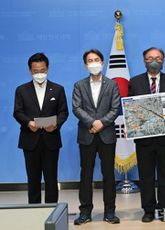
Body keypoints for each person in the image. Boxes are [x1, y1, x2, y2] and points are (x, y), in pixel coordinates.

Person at [128, 47, 165, 223]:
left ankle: (164, 207)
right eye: (150, 58)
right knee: (146, 176)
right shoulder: (134, 82)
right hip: (144, 139)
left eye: (158, 58)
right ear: (144, 60)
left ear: (163, 60)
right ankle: (149, 209)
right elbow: (131, 109)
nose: (154, 61)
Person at [72, 49, 121, 225]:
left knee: (108, 174)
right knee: (86, 174)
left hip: (107, 135)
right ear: (85, 65)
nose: (94, 63)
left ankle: (110, 212)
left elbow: (115, 108)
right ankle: (85, 212)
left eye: (97, 60)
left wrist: (102, 123)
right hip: (87, 135)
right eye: (90, 60)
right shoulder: (79, 85)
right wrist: (93, 123)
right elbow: (76, 108)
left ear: (102, 62)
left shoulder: (112, 84)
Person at [13, 52, 69, 204]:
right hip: (30, 140)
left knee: (51, 179)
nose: (40, 73)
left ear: (48, 69)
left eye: (42, 70)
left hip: (51, 140)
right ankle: (34, 212)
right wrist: (28, 123)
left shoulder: (57, 89)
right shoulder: (21, 90)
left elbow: (64, 112)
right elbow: (17, 112)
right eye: (36, 71)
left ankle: (52, 212)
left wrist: (56, 124)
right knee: (33, 179)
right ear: (30, 70)